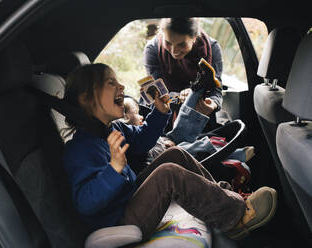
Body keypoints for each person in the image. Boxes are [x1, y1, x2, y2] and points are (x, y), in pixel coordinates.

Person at [62, 63, 277, 242]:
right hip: (118, 222)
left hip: (128, 199)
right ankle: (235, 218)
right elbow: (85, 203)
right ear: (85, 98)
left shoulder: (113, 128)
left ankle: (227, 198)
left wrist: (160, 112)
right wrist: (114, 169)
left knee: (176, 155)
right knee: (168, 174)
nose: (121, 86)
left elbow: (143, 140)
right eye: (111, 83)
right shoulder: (79, 150)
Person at [123, 94, 254, 191]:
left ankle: (196, 91)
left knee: (182, 126)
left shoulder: (139, 131)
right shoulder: (130, 141)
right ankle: (232, 153)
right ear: (126, 120)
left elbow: (155, 137)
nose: (142, 117)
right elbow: (148, 156)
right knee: (183, 147)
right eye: (137, 114)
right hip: (165, 158)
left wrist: (164, 140)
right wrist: (164, 146)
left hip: (167, 142)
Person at [144, 17, 223, 129]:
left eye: (181, 45)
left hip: (199, 113)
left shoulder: (212, 48)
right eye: (168, 43)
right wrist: (179, 97)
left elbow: (216, 89)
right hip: (163, 114)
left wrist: (213, 104)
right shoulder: (152, 49)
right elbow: (155, 94)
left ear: (194, 38)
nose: (174, 51)